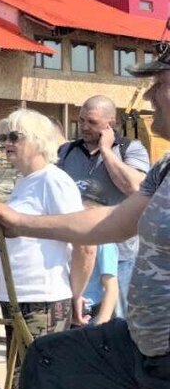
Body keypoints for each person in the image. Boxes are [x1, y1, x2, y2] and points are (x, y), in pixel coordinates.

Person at [0, 54, 170, 389]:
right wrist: (20, 223)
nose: (148, 96)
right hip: (142, 343)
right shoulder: (166, 168)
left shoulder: (132, 152)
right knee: (48, 360)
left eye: (159, 84)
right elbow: (112, 221)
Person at [0, 109, 92, 389]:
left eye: (14, 136)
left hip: (42, 300)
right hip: (17, 297)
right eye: (3, 137)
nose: (7, 143)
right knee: (18, 387)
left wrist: (75, 295)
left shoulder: (53, 180)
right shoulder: (26, 181)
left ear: (38, 141)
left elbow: (84, 244)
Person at [56, 95, 149, 320]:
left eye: (92, 122)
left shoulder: (131, 149)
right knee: (79, 317)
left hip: (120, 254)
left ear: (111, 124)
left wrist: (107, 151)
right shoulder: (67, 152)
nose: (84, 127)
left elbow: (135, 188)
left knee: (118, 319)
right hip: (76, 252)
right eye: (81, 120)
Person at [77, 191, 120, 326]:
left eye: (90, 212)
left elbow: (111, 287)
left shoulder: (104, 243)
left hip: (90, 313)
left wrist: (102, 322)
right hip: (70, 308)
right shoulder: (71, 238)